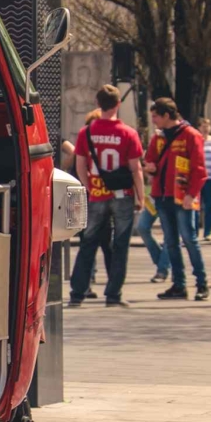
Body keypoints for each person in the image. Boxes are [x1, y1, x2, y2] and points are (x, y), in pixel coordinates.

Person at [69, 86, 146, 306]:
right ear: (118, 104)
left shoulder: (87, 132)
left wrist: (88, 187)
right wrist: (141, 196)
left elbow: (80, 163)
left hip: (96, 195)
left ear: (97, 103)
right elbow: (135, 168)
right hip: (122, 194)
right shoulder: (128, 133)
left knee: (88, 243)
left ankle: (78, 292)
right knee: (120, 245)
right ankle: (113, 294)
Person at [145, 98, 209, 301]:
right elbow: (150, 160)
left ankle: (201, 283)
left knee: (190, 239)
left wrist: (192, 194)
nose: (153, 120)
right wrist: (150, 167)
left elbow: (199, 169)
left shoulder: (191, 135)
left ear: (166, 115)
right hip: (163, 196)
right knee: (171, 242)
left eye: (156, 116)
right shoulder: (159, 138)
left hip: (183, 197)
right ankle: (178, 284)